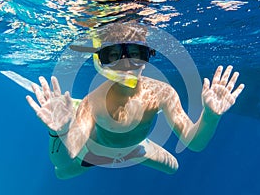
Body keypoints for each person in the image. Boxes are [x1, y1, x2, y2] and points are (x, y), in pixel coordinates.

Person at [26, 23, 245, 179]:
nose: (126, 64)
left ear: (148, 54)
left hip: (135, 147)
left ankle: (132, 149)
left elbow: (194, 143)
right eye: (113, 55)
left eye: (135, 52)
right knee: (62, 174)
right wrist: (60, 131)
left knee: (174, 167)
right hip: (96, 153)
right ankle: (71, 114)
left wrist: (210, 116)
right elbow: (64, 159)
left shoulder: (162, 93)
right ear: (100, 61)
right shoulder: (92, 103)